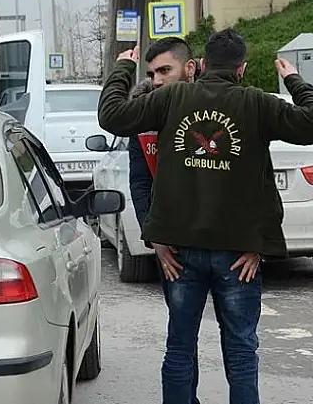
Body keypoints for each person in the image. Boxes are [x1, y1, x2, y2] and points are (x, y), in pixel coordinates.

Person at [97, 28, 313, 404]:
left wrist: (124, 68)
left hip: (179, 251)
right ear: (242, 69)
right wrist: (293, 79)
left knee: (179, 346)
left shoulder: (172, 97)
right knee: (240, 350)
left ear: (203, 64)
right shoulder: (257, 103)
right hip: (238, 254)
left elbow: (111, 116)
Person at [126, 37, 201, 404]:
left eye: (165, 71)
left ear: (190, 69)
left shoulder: (215, 107)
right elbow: (140, 184)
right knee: (182, 337)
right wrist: (154, 237)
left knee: (239, 340)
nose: (157, 80)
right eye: (152, 73)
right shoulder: (144, 118)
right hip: (172, 245)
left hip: (221, 238)